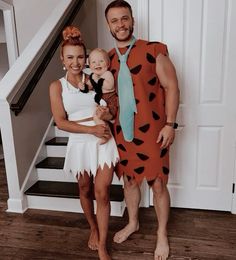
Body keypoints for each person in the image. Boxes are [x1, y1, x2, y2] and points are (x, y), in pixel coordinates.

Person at [103, 1, 180, 259]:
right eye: (115, 20)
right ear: (109, 25)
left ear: (132, 20)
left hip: (153, 131)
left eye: (124, 18)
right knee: (129, 180)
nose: (120, 24)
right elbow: (108, 98)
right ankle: (133, 222)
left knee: (158, 184)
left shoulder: (153, 50)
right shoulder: (107, 60)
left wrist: (170, 124)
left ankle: (161, 234)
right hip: (123, 132)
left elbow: (172, 87)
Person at [49, 25, 119, 260]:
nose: (76, 62)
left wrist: (106, 116)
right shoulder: (57, 86)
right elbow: (60, 122)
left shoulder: (95, 79)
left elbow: (111, 113)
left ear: (86, 57)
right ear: (62, 59)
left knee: (102, 191)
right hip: (81, 140)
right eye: (70, 57)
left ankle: (102, 245)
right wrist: (91, 129)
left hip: (103, 139)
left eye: (80, 57)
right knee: (85, 188)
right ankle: (93, 227)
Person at [87, 48, 118, 144]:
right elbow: (90, 86)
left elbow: (109, 86)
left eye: (101, 61)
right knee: (96, 116)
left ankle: (106, 134)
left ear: (108, 64)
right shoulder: (93, 75)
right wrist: (84, 86)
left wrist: (98, 80)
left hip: (110, 101)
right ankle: (106, 132)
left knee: (97, 116)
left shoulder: (107, 74)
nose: (97, 64)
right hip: (101, 101)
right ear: (90, 66)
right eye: (94, 62)